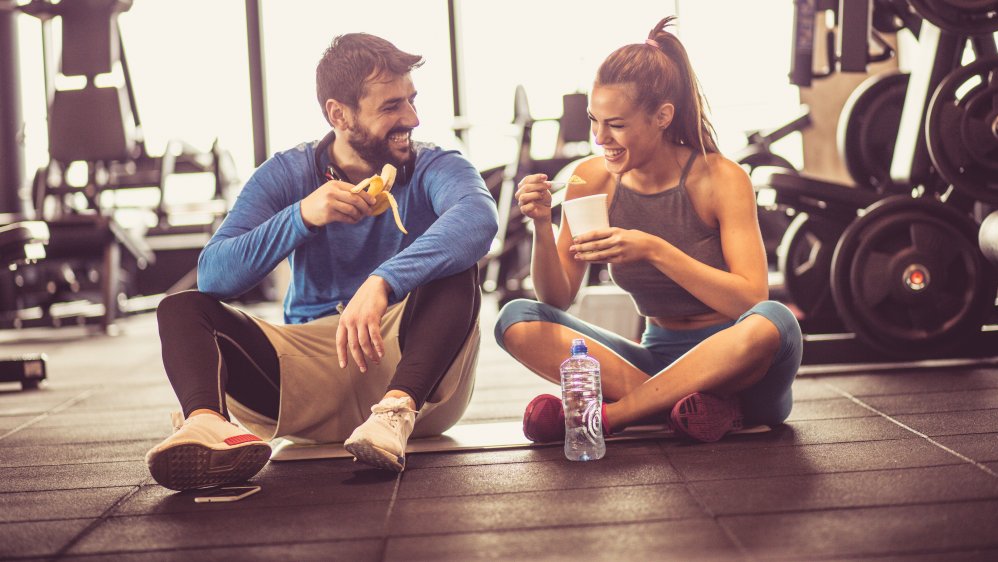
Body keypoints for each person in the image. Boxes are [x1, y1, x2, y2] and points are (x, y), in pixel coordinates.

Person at [145, 33, 498, 489]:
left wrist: (383, 281)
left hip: (413, 380)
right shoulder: (288, 173)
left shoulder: (434, 164)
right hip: (308, 374)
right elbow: (214, 274)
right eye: (392, 106)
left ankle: (393, 413)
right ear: (339, 114)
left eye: (411, 100)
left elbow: (478, 218)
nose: (412, 117)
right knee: (181, 308)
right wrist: (302, 215)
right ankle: (209, 425)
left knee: (456, 266)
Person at [495, 16, 802, 444]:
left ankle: (614, 416)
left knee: (774, 320)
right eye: (594, 120)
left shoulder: (720, 178)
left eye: (616, 124)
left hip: (741, 368)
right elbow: (556, 298)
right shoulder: (590, 178)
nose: (601, 138)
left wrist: (655, 250)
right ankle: (680, 407)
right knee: (517, 318)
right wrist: (542, 226)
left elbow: (750, 299)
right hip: (656, 360)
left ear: (662, 116)